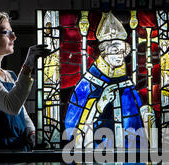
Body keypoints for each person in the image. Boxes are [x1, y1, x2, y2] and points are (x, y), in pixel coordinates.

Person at [64, 12, 154, 151]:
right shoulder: (86, 84)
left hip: (128, 154)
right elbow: (71, 124)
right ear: (104, 51)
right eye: (115, 50)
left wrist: (145, 114)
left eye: (122, 51)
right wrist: (98, 105)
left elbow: (134, 118)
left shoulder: (126, 83)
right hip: (95, 154)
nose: (120, 56)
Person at [0, 12, 51, 151]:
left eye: (12, 32)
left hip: (19, 153)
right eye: (6, 32)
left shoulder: (10, 75)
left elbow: (22, 114)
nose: (13, 37)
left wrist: (32, 134)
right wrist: (28, 63)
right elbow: (11, 106)